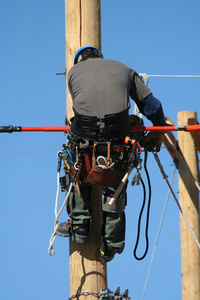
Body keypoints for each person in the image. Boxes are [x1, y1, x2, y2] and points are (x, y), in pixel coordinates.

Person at [56, 46, 166, 262]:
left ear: (81, 62)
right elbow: (152, 106)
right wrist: (158, 130)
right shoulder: (124, 69)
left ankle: (79, 225)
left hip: (85, 136)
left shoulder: (73, 73)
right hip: (117, 138)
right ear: (100, 58)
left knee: (77, 166)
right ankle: (112, 243)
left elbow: (85, 107)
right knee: (116, 181)